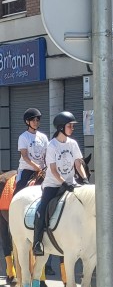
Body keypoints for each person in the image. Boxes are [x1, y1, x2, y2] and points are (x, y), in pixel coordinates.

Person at [33, 112, 88, 256]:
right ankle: (37, 242)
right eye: (70, 126)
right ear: (61, 127)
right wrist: (64, 183)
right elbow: (53, 170)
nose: (72, 128)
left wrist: (84, 179)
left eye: (72, 126)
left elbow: (78, 164)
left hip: (71, 183)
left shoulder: (73, 143)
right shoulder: (52, 145)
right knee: (42, 209)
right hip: (53, 185)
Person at [14, 108, 49, 195]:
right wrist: (36, 167)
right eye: (33, 120)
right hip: (27, 170)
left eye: (37, 120)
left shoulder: (43, 137)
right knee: (19, 191)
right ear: (27, 122)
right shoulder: (23, 137)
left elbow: (47, 155)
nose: (36, 122)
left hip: (42, 170)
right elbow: (25, 157)